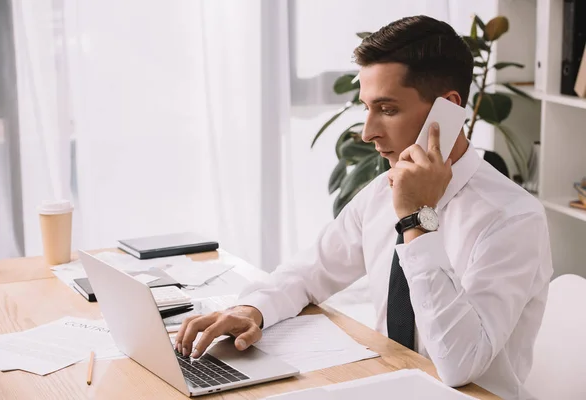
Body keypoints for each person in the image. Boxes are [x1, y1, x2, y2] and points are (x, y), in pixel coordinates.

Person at [175, 15, 553, 400]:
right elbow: (309, 272)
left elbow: (459, 364)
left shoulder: (511, 218)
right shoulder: (379, 193)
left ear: (448, 110)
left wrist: (416, 220)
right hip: (391, 383)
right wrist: (251, 309)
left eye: (387, 109)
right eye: (366, 108)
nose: (367, 132)